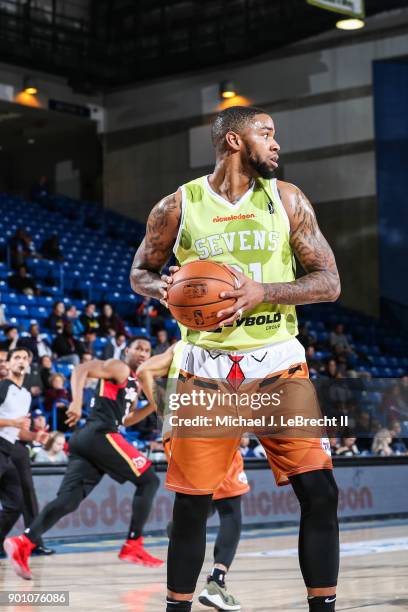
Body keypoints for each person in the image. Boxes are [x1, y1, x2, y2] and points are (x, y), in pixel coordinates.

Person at [130, 105, 341, 612]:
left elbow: (329, 283)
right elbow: (141, 269)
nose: (276, 144)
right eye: (266, 134)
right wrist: (171, 290)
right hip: (205, 372)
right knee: (192, 506)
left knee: (322, 494)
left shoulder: (287, 199)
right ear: (233, 141)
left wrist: (263, 289)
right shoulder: (177, 206)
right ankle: (178, 607)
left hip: (278, 367)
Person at [5, 336, 163, 580]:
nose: (143, 352)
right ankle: (134, 544)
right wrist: (76, 403)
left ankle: (23, 542)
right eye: (138, 348)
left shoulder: (135, 384)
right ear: (127, 351)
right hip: (100, 433)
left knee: (68, 501)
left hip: (88, 440)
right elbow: (81, 369)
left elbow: (127, 420)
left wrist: (154, 406)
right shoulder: (118, 367)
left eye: (147, 349)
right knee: (150, 480)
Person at [136, 342, 249, 611]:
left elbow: (142, 372)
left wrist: (165, 411)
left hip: (177, 432)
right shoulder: (216, 340)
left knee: (198, 501)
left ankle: (179, 528)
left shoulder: (179, 348)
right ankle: (217, 583)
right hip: (212, 425)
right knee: (231, 509)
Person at [0, 348, 48, 556]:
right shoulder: (3, 387)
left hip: (9, 448)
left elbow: (18, 431)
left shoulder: (26, 395)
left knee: (16, 503)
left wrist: (35, 437)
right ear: (8, 364)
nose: (21, 361)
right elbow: (12, 423)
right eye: (16, 357)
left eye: (25, 358)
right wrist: (14, 422)